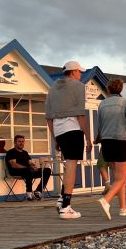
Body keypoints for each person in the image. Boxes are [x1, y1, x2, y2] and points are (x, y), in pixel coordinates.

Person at [45, 60, 93, 219]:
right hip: (72, 129)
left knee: (68, 166)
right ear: (73, 72)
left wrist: (55, 139)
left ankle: (61, 199)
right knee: (72, 166)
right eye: (80, 72)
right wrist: (88, 137)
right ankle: (66, 207)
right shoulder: (78, 87)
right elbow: (80, 114)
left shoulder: (52, 89)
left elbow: (49, 118)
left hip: (59, 131)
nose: (81, 75)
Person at [96, 78, 126, 219]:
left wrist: (98, 139)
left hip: (107, 142)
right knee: (122, 178)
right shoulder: (125, 102)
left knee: (117, 177)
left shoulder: (102, 104)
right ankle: (106, 200)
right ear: (120, 89)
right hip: (121, 141)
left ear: (108, 89)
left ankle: (123, 208)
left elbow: (100, 126)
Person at [5, 135, 51, 200]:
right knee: (28, 170)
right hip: (15, 171)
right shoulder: (11, 152)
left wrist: (34, 166)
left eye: (23, 141)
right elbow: (14, 165)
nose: (21, 143)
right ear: (15, 143)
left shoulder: (25, 153)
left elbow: (30, 162)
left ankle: (38, 191)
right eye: (19, 141)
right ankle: (29, 193)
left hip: (28, 171)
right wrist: (27, 168)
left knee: (47, 170)